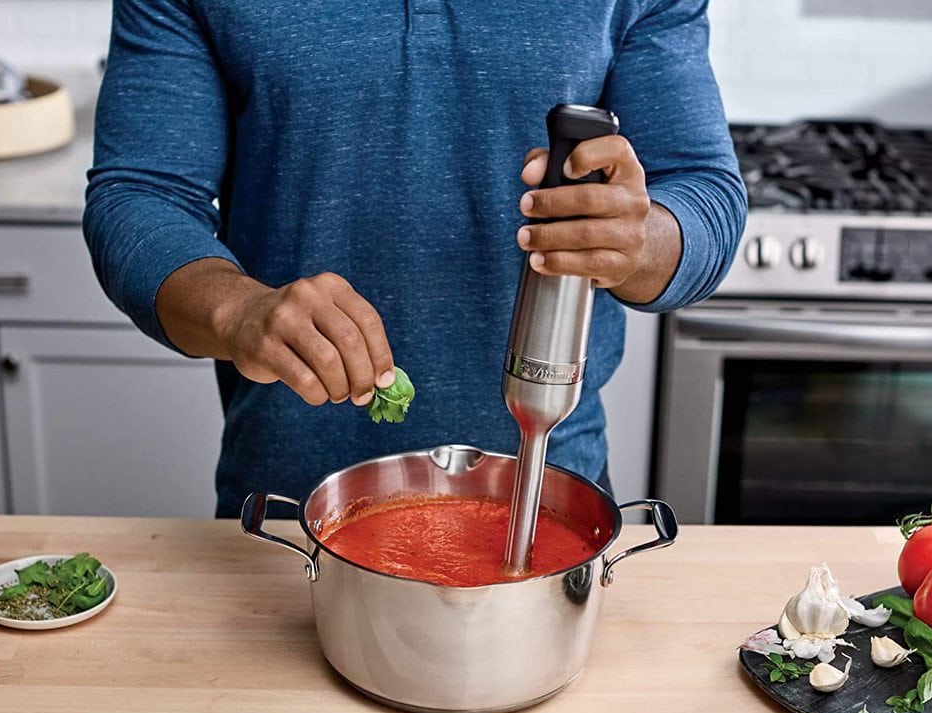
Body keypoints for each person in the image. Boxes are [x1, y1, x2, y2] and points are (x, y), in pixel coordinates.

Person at [84, 0, 747, 517]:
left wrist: (636, 241)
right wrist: (239, 310)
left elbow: (705, 192)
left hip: (547, 497)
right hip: (284, 515)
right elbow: (139, 195)